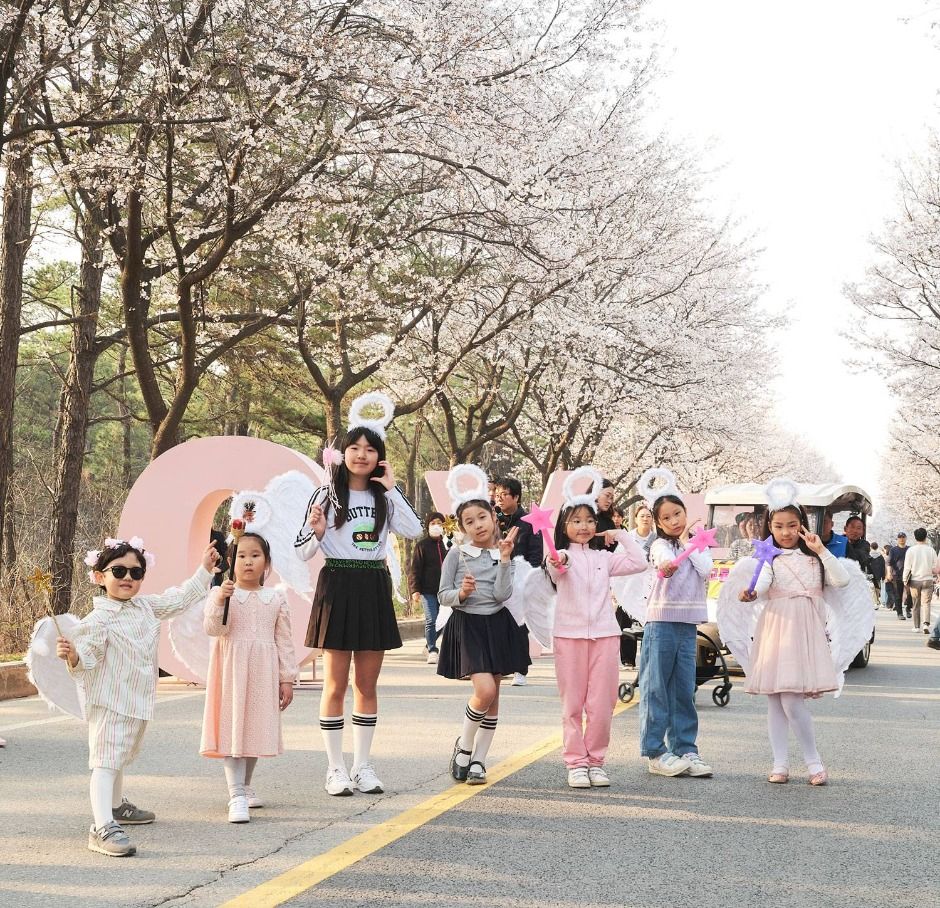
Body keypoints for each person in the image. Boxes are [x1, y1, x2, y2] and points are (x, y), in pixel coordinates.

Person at [56, 537, 219, 856]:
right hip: (109, 702)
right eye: (119, 570)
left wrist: (204, 570)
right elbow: (86, 659)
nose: (128, 578)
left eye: (136, 571)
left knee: (118, 756)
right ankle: (101, 826)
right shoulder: (98, 620)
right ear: (100, 576)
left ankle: (116, 807)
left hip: (136, 701)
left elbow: (180, 598)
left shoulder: (146, 607)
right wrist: (73, 655)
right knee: (104, 761)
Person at [295, 392, 423, 797]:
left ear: (380, 457)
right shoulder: (326, 494)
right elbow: (302, 550)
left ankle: (362, 766)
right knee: (334, 684)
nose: (362, 455)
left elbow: (415, 530)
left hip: (372, 585)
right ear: (342, 454)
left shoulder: (384, 496)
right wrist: (315, 531)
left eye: (370, 449)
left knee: (367, 685)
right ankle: (334, 769)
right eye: (355, 447)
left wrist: (392, 488)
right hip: (337, 585)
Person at [727, 492, 851, 786]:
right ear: (770, 526)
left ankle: (813, 761)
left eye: (792, 525)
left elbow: (842, 580)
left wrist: (821, 550)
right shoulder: (768, 557)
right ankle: (779, 762)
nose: (785, 532)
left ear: (802, 525)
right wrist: (752, 592)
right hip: (776, 631)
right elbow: (763, 582)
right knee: (776, 700)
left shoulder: (815, 558)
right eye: (779, 526)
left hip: (804, 633)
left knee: (792, 702)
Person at [545, 468, 647, 788]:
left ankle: (596, 761)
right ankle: (576, 762)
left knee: (602, 705)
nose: (584, 526)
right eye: (576, 521)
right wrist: (557, 562)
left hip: (605, 636)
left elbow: (640, 563)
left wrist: (621, 535)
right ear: (564, 525)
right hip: (569, 636)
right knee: (573, 704)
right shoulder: (562, 556)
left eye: (589, 520)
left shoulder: (605, 557)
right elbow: (555, 567)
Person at [438, 465, 530, 785]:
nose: (477, 525)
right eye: (469, 521)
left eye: (482, 517)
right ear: (462, 526)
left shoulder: (504, 551)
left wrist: (504, 560)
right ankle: (464, 746)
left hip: (498, 626)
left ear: (493, 516)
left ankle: (478, 760)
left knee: (494, 697)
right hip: (470, 627)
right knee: (484, 690)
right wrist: (461, 593)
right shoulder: (456, 555)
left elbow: (503, 594)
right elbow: (442, 595)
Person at [200, 531, 298, 823]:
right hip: (231, 670)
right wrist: (220, 599)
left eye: (255, 556)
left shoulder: (275, 598)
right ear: (231, 561)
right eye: (241, 556)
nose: (248, 562)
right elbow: (213, 629)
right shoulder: (223, 593)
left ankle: (245, 786)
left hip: (262, 673)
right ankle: (236, 795)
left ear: (266, 562)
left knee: (254, 728)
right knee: (232, 727)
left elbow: (284, 640)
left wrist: (287, 678)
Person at [638, 467, 714, 779]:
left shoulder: (695, 545)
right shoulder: (658, 546)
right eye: (666, 518)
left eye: (678, 514)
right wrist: (668, 562)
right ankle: (655, 751)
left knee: (684, 689)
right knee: (656, 688)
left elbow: (705, 567)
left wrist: (688, 544)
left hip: (687, 625)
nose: (674, 521)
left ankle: (685, 748)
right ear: (657, 523)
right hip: (660, 624)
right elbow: (660, 559)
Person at [494, 475, 542, 685]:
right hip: (496, 577)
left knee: (518, 625)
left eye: (504, 494)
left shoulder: (529, 522)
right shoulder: (492, 519)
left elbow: (535, 554)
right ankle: (500, 665)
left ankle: (520, 669)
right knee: (496, 623)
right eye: (497, 495)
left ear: (516, 497)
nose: (499, 498)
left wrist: (528, 580)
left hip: (520, 580)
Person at [408, 512, 449, 664]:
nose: (436, 526)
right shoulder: (422, 546)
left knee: (444, 621)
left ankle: (427, 644)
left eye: (439, 522)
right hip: (428, 590)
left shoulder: (448, 544)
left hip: (447, 590)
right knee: (432, 619)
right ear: (428, 526)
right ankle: (432, 649)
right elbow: (415, 569)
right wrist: (415, 590)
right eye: (433, 523)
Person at [902, 527, 935, 633]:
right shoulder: (931, 550)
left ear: (915, 537)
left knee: (916, 603)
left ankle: (916, 626)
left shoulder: (911, 550)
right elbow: (935, 566)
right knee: (926, 603)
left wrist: (904, 579)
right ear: (926, 537)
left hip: (915, 580)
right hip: (928, 579)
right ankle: (926, 624)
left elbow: (907, 566)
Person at [888, 533, 910, 619]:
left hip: (909, 575)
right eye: (900, 537)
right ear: (897, 539)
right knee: (898, 595)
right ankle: (899, 613)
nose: (901, 539)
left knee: (910, 594)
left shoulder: (909, 549)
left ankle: (908, 609)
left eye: (903, 537)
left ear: (906, 538)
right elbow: (889, 563)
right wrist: (889, 573)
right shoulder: (893, 550)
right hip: (897, 575)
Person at [869, 542, 886, 606]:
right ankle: (877, 600)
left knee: (872, 588)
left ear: (871, 547)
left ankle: (875, 601)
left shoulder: (869, 555)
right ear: (877, 547)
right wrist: (883, 576)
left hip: (871, 574)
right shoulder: (880, 556)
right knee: (877, 587)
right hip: (878, 574)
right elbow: (883, 566)